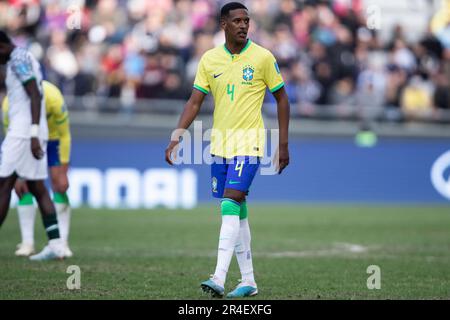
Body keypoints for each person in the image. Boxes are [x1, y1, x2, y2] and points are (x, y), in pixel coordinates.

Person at [165, 2, 290, 298]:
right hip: (219, 146)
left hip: (250, 144)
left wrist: (283, 144)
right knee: (239, 210)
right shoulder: (210, 60)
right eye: (237, 21)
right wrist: (177, 136)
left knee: (229, 204)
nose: (244, 25)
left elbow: (282, 99)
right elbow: (195, 101)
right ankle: (248, 281)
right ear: (224, 24)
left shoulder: (262, 57)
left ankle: (219, 276)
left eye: (247, 20)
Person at [0, 30, 64, 261]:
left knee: (3, 185)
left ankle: (55, 244)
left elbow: (35, 94)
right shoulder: (24, 57)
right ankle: (56, 244)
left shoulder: (17, 59)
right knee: (37, 187)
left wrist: (34, 132)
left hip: (24, 132)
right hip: (30, 131)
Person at [2, 80, 73, 258]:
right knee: (22, 188)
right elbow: (8, 133)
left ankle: (62, 242)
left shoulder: (54, 97)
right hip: (26, 141)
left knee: (60, 185)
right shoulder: (9, 103)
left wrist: (64, 167)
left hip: (53, 140)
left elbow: (65, 133)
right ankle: (27, 243)